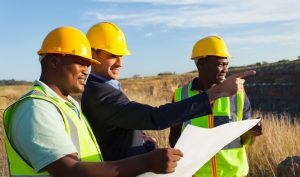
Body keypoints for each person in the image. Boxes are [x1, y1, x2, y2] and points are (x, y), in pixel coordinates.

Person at [2, 26, 184, 177]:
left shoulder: (68, 106)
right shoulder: (37, 108)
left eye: (88, 65)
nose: (86, 71)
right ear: (54, 61)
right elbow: (72, 175)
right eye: (81, 63)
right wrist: (147, 162)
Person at [81, 22, 256, 161]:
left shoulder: (105, 88)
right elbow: (154, 118)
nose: (120, 63)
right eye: (113, 55)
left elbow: (119, 123)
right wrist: (215, 93)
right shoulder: (100, 94)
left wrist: (142, 139)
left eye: (122, 56)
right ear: (93, 54)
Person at [169, 36, 263, 177]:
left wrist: (252, 133)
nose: (225, 69)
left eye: (226, 64)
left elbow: (245, 140)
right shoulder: (181, 96)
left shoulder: (239, 95)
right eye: (220, 64)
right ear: (201, 64)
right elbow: (174, 137)